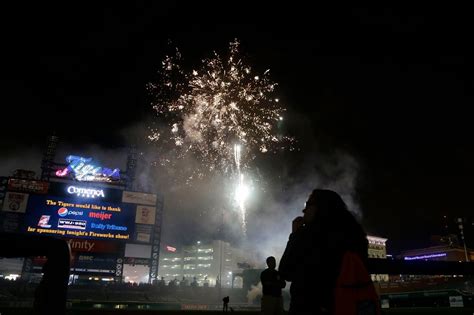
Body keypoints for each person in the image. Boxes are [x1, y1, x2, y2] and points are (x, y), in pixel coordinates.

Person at [279, 189, 368, 315]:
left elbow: (285, 272)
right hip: (348, 306)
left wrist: (295, 235)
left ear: (321, 207)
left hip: (309, 307)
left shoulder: (308, 235)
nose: (303, 210)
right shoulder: (355, 235)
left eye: (308, 205)